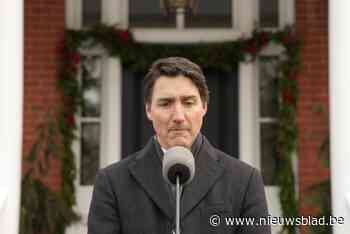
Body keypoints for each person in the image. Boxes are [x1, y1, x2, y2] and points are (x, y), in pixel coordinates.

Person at [88, 57, 271, 234]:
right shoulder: (112, 182)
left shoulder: (245, 181)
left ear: (204, 107)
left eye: (188, 102)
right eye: (166, 103)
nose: (178, 116)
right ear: (148, 110)